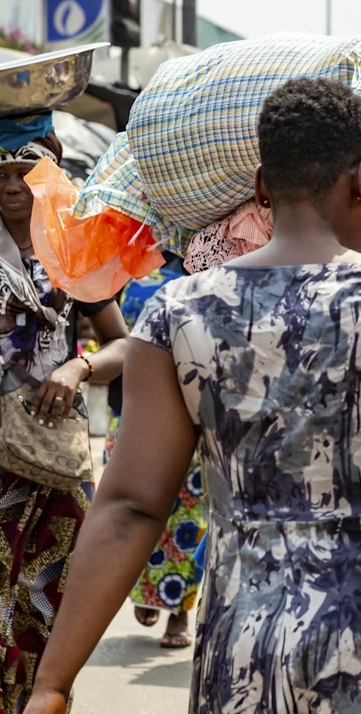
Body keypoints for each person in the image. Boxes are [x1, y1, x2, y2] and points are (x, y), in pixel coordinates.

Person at [23, 78, 361, 714]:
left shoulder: (179, 314)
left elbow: (128, 509)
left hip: (250, 660)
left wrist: (53, 682)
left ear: (262, 186)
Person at [0, 113, 129, 712]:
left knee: (50, 606)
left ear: (48, 167)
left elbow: (124, 347)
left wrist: (78, 367)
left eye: (23, 165)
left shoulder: (74, 249)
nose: (9, 182)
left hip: (55, 462)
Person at [105, 254, 206, 649]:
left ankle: (179, 609)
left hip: (191, 406)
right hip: (130, 405)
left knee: (188, 511)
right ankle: (146, 590)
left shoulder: (213, 263)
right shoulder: (126, 258)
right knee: (132, 502)